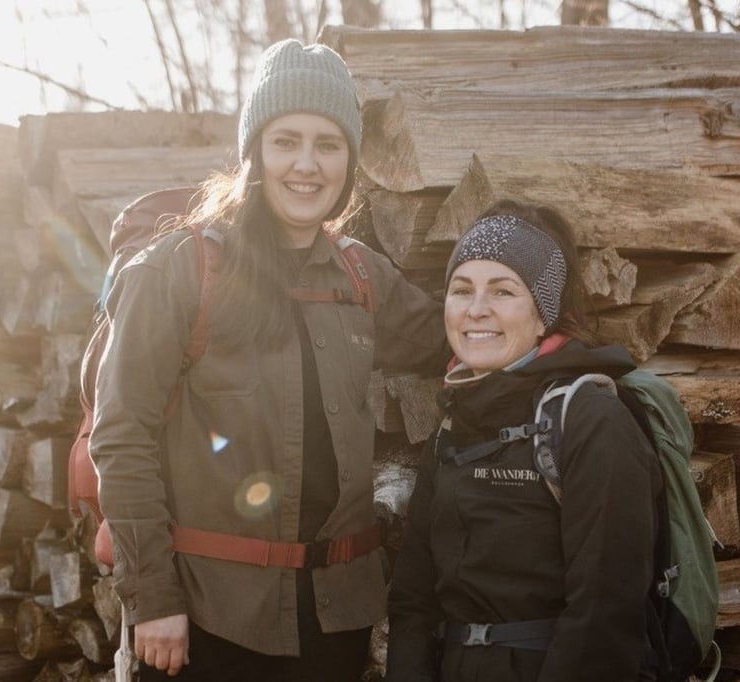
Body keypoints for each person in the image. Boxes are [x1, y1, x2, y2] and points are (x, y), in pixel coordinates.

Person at [89, 38, 447, 681]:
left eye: (328, 144)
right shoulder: (178, 271)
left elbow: (459, 338)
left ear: (350, 160)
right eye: (286, 140)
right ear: (254, 150)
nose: (306, 165)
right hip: (207, 622)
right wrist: (154, 601)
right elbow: (122, 436)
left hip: (336, 625)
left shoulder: (363, 275)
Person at [386, 199, 663, 681]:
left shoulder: (590, 420)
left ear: (543, 315)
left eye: (503, 291)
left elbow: (604, 612)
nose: (476, 310)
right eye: (461, 289)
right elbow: (414, 601)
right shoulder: (450, 428)